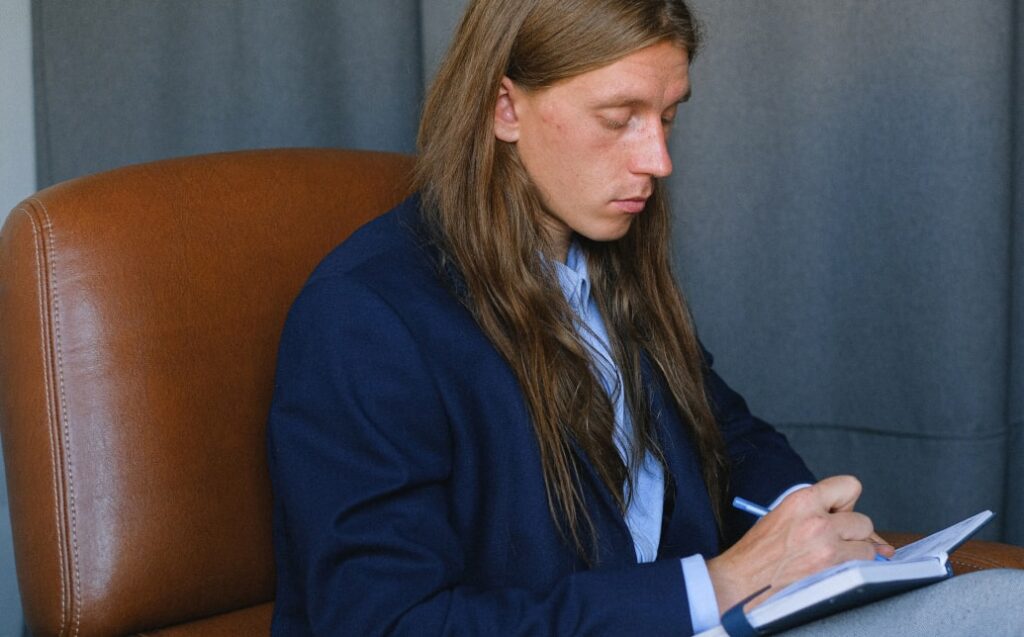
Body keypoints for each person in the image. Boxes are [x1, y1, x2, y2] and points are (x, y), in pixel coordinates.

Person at [266, 1, 1023, 635]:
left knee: (1003, 605)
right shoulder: (365, 317)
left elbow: (726, 439)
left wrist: (805, 526)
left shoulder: (609, 261)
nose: (658, 160)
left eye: (666, 117)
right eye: (619, 117)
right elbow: (388, 623)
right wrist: (723, 581)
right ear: (505, 107)